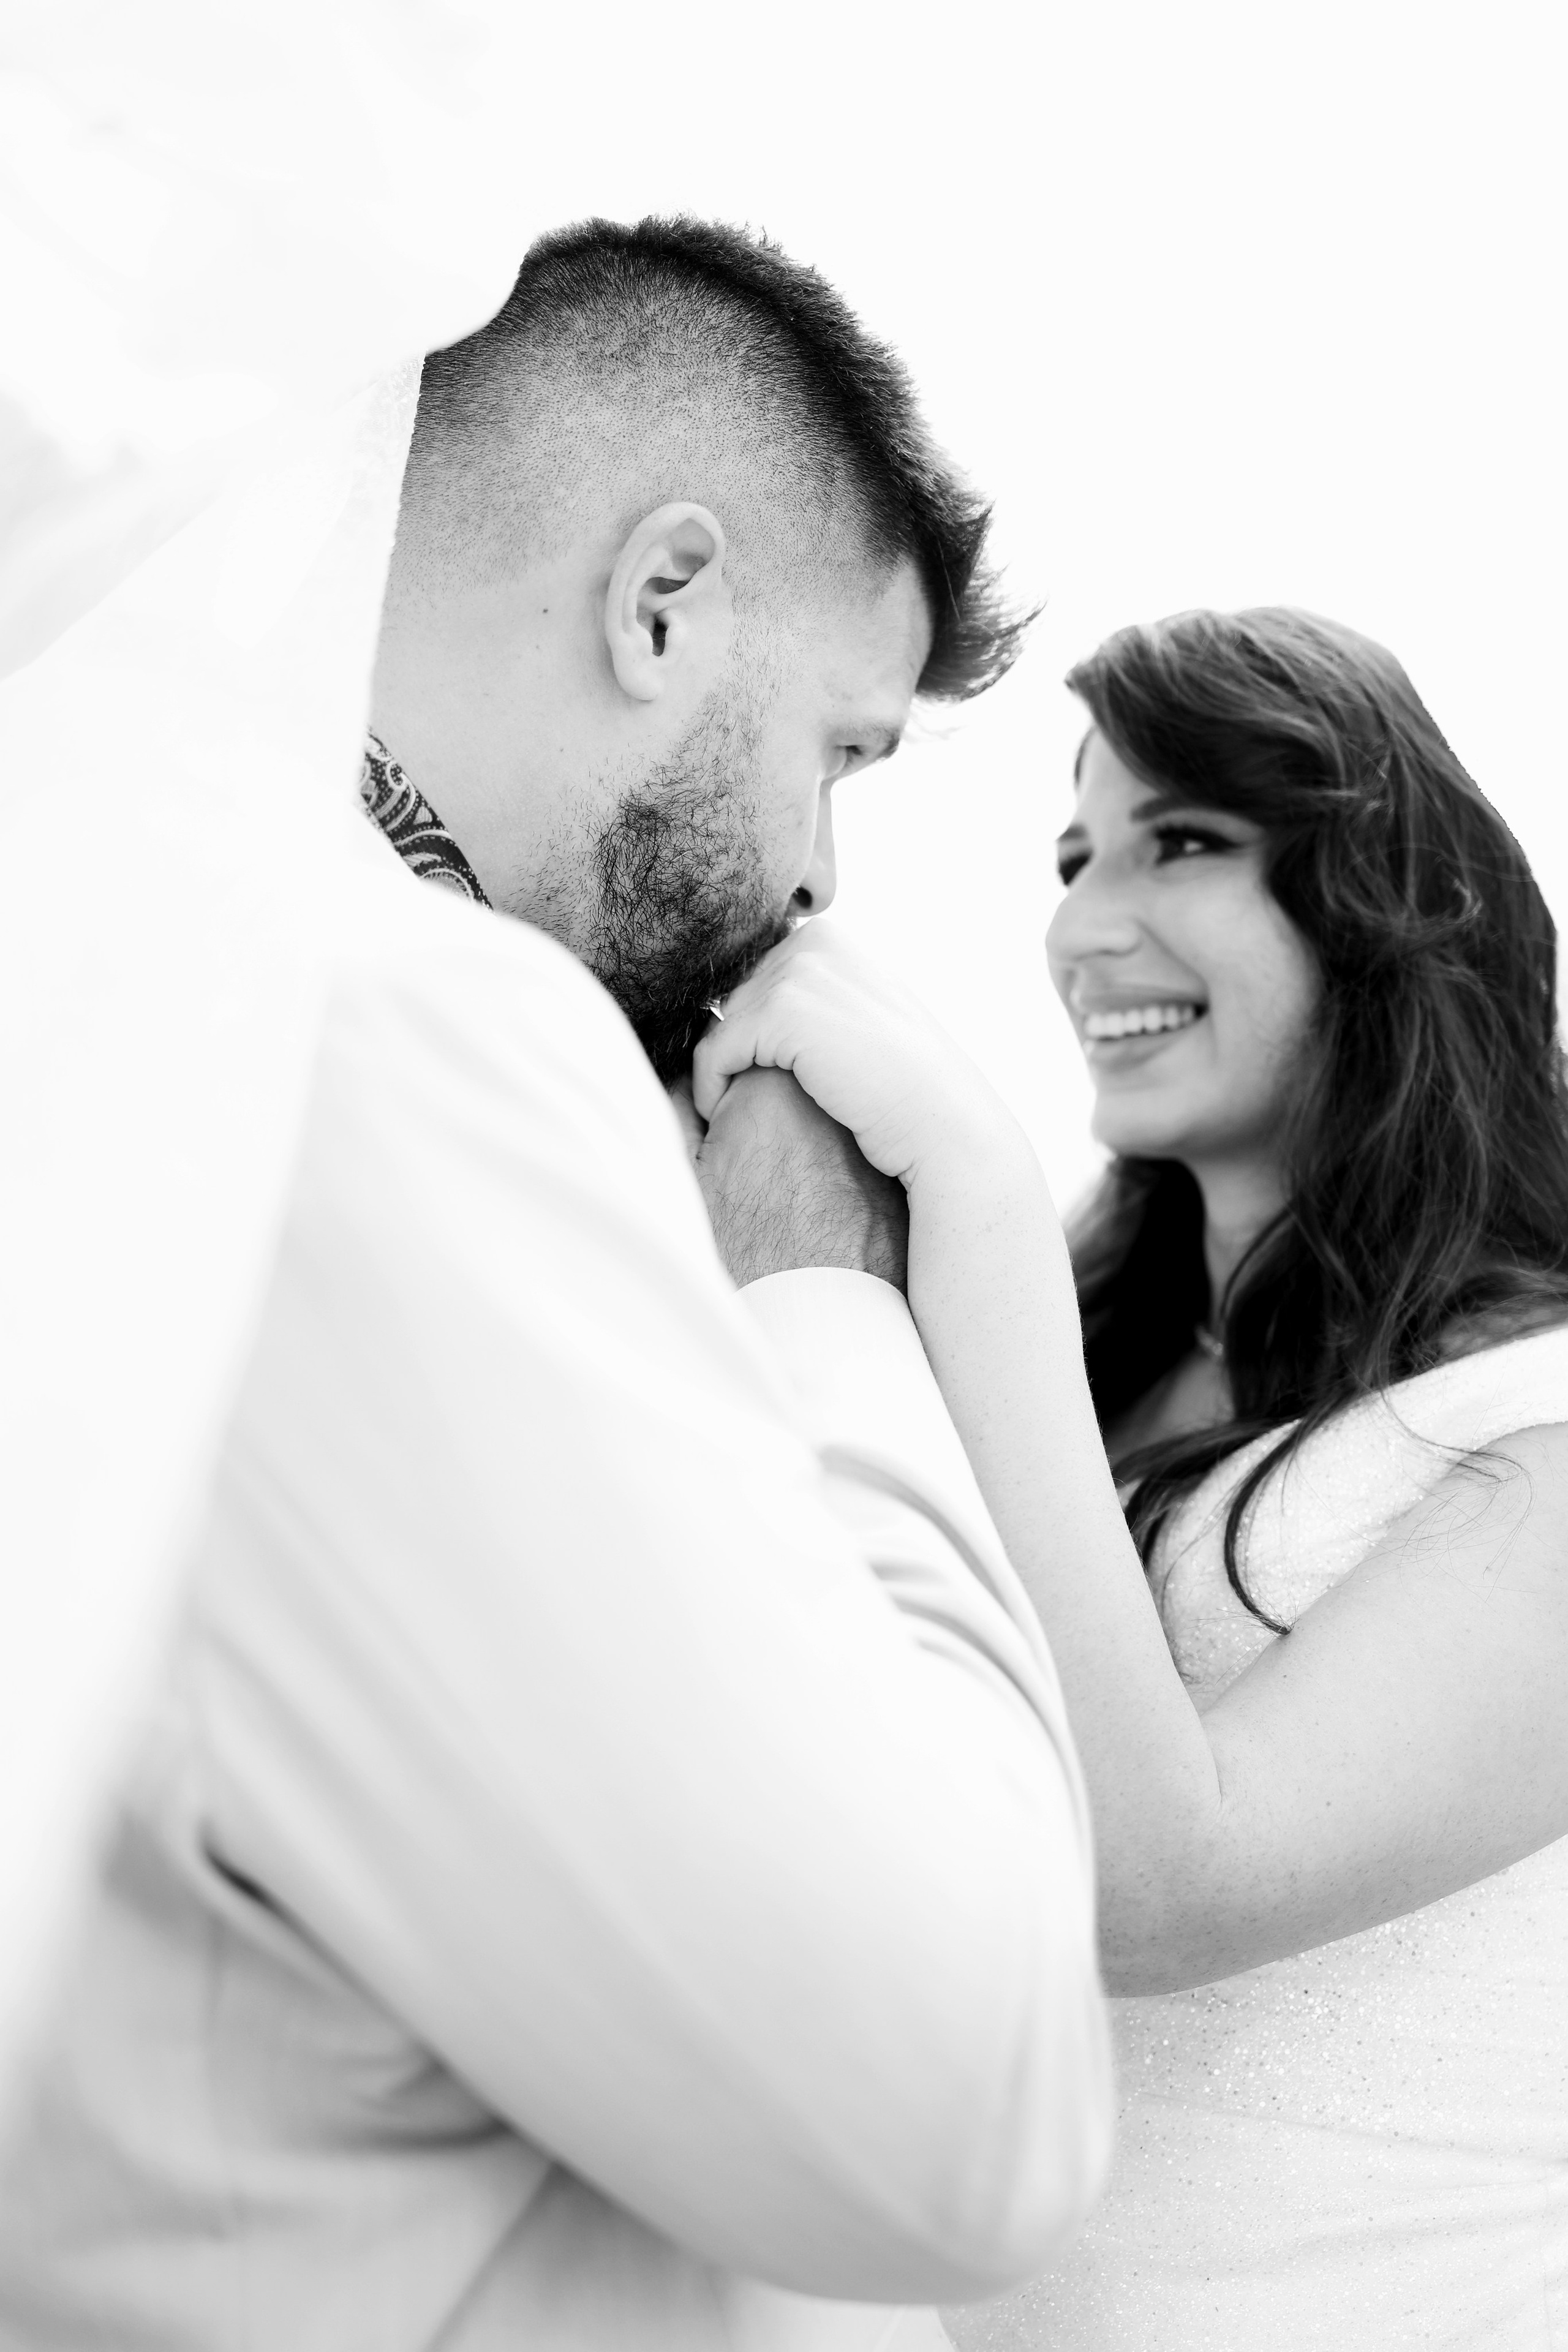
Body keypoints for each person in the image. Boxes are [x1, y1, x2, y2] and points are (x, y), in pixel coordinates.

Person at [0, 221, 1112, 2349]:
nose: (818, 874)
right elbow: (974, 2107)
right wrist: (823, 1293)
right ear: (663, 602)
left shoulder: (114, 929)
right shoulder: (395, 1035)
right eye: (845, 749)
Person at [692, 607, 1568, 2347]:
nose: (1087, 927)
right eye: (1076, 855)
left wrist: (980, 1201)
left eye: (1182, 843)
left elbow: (1156, 1894)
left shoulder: (1538, 1422)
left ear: (1388, 892)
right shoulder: (1085, 1375)